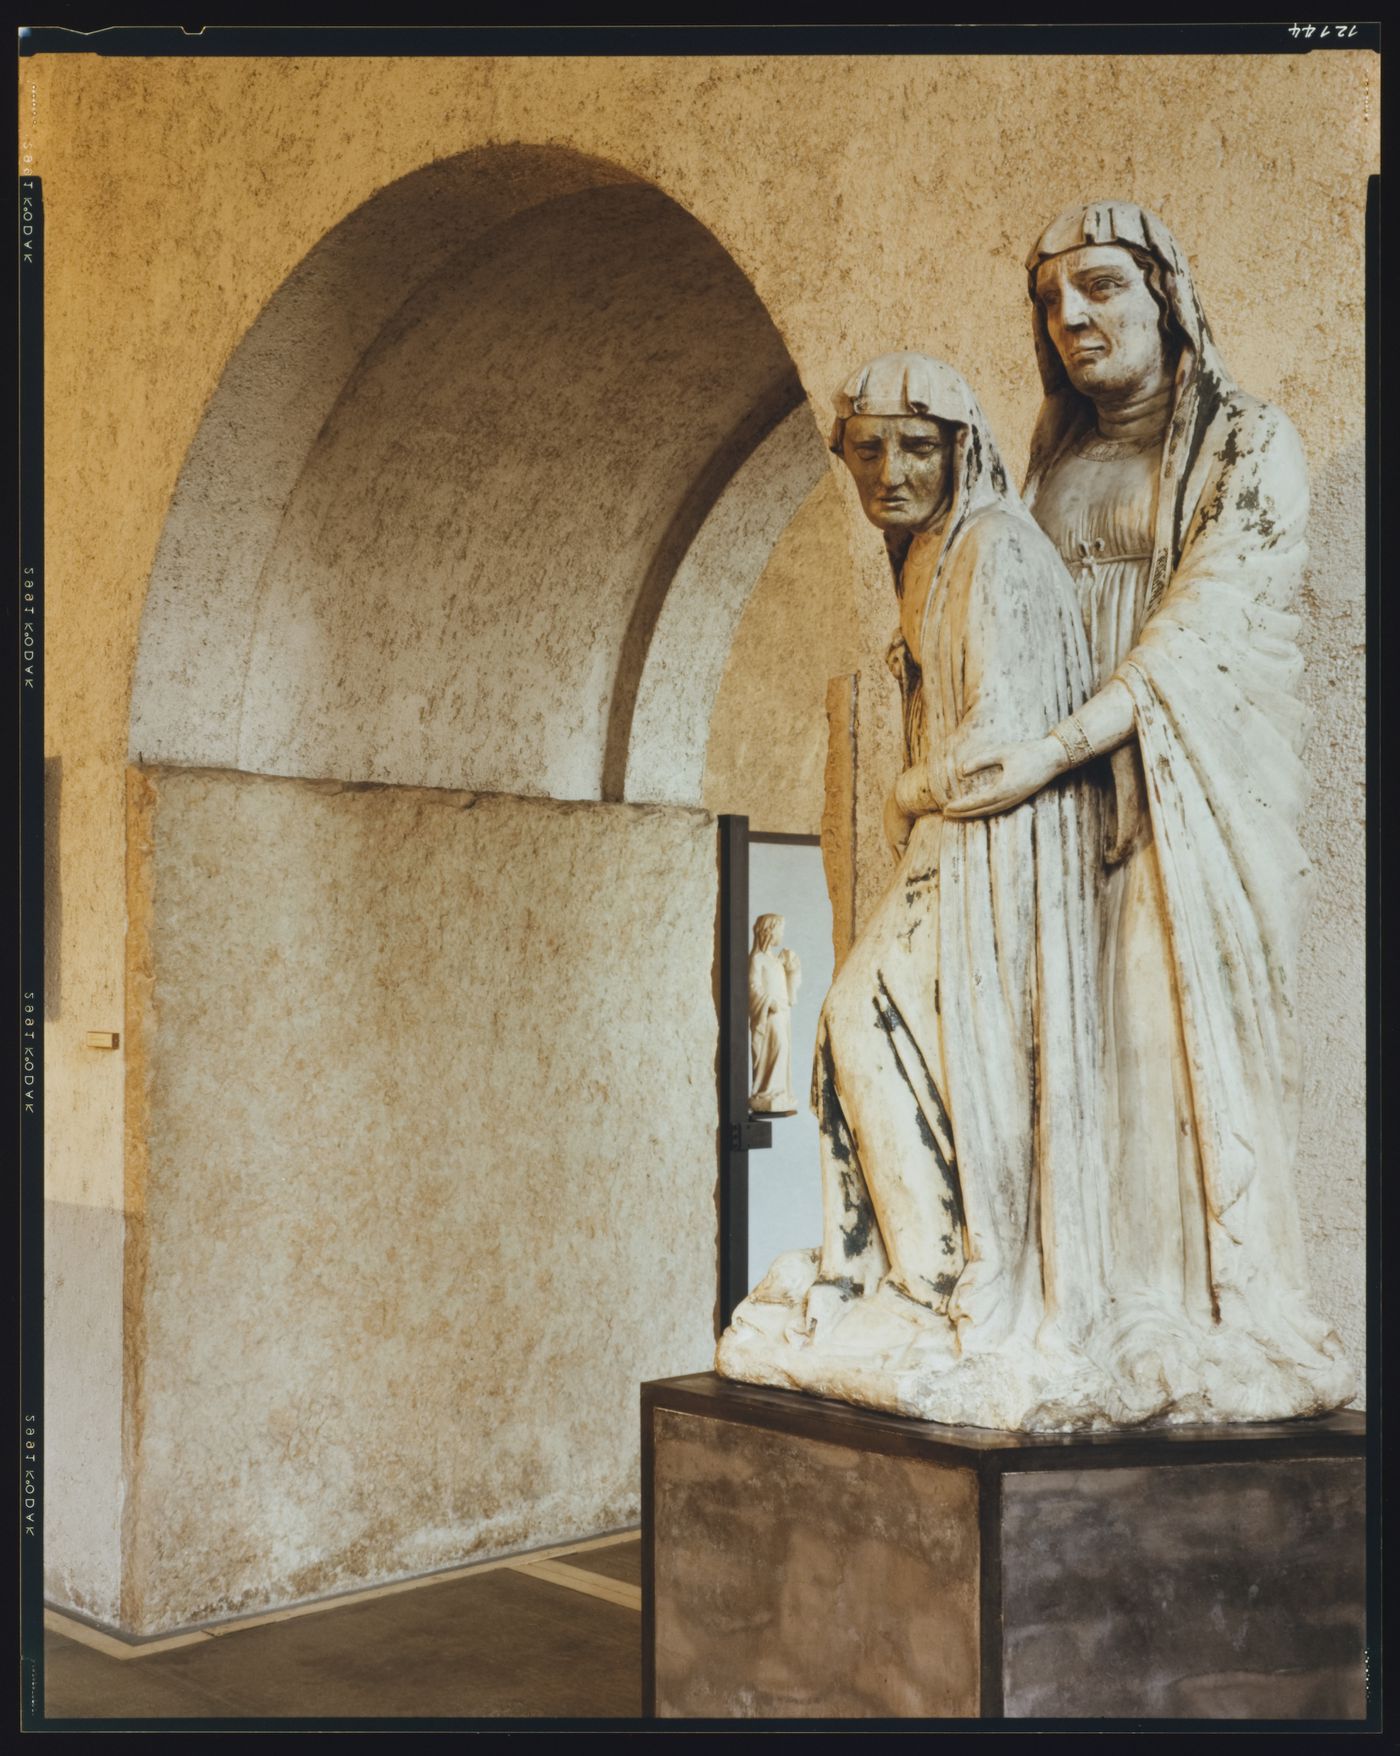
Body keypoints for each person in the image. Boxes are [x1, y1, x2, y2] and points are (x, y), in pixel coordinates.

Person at [943, 202, 1353, 1418]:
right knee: (1046, 1056)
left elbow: (1213, 620)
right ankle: (1078, 1305)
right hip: (1050, 806)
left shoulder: (1244, 439)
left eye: (1101, 285)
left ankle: (1180, 1316)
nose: (1072, 315)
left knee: (1149, 1038)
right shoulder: (1052, 462)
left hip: (1182, 799)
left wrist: (1065, 746)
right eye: (1051, 297)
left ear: (1165, 295)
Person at [718, 354, 1114, 1428]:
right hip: (947, 838)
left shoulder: (992, 551)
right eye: (866, 450)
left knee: (860, 1016)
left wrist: (907, 786)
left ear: (960, 448)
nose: (888, 470)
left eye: (915, 447)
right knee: (864, 1038)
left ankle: (939, 1278)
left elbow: (1006, 735)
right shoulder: (926, 557)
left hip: (993, 845)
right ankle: (911, 1268)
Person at [748, 914, 801, 1116]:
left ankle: (778, 1091)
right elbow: (753, 986)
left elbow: (787, 990)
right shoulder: (757, 959)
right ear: (768, 931)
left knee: (784, 1049)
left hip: (782, 1012)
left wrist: (792, 971)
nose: (782, 934)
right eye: (780, 930)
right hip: (768, 1014)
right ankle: (765, 1091)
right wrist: (768, 1002)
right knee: (777, 1046)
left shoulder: (776, 961)